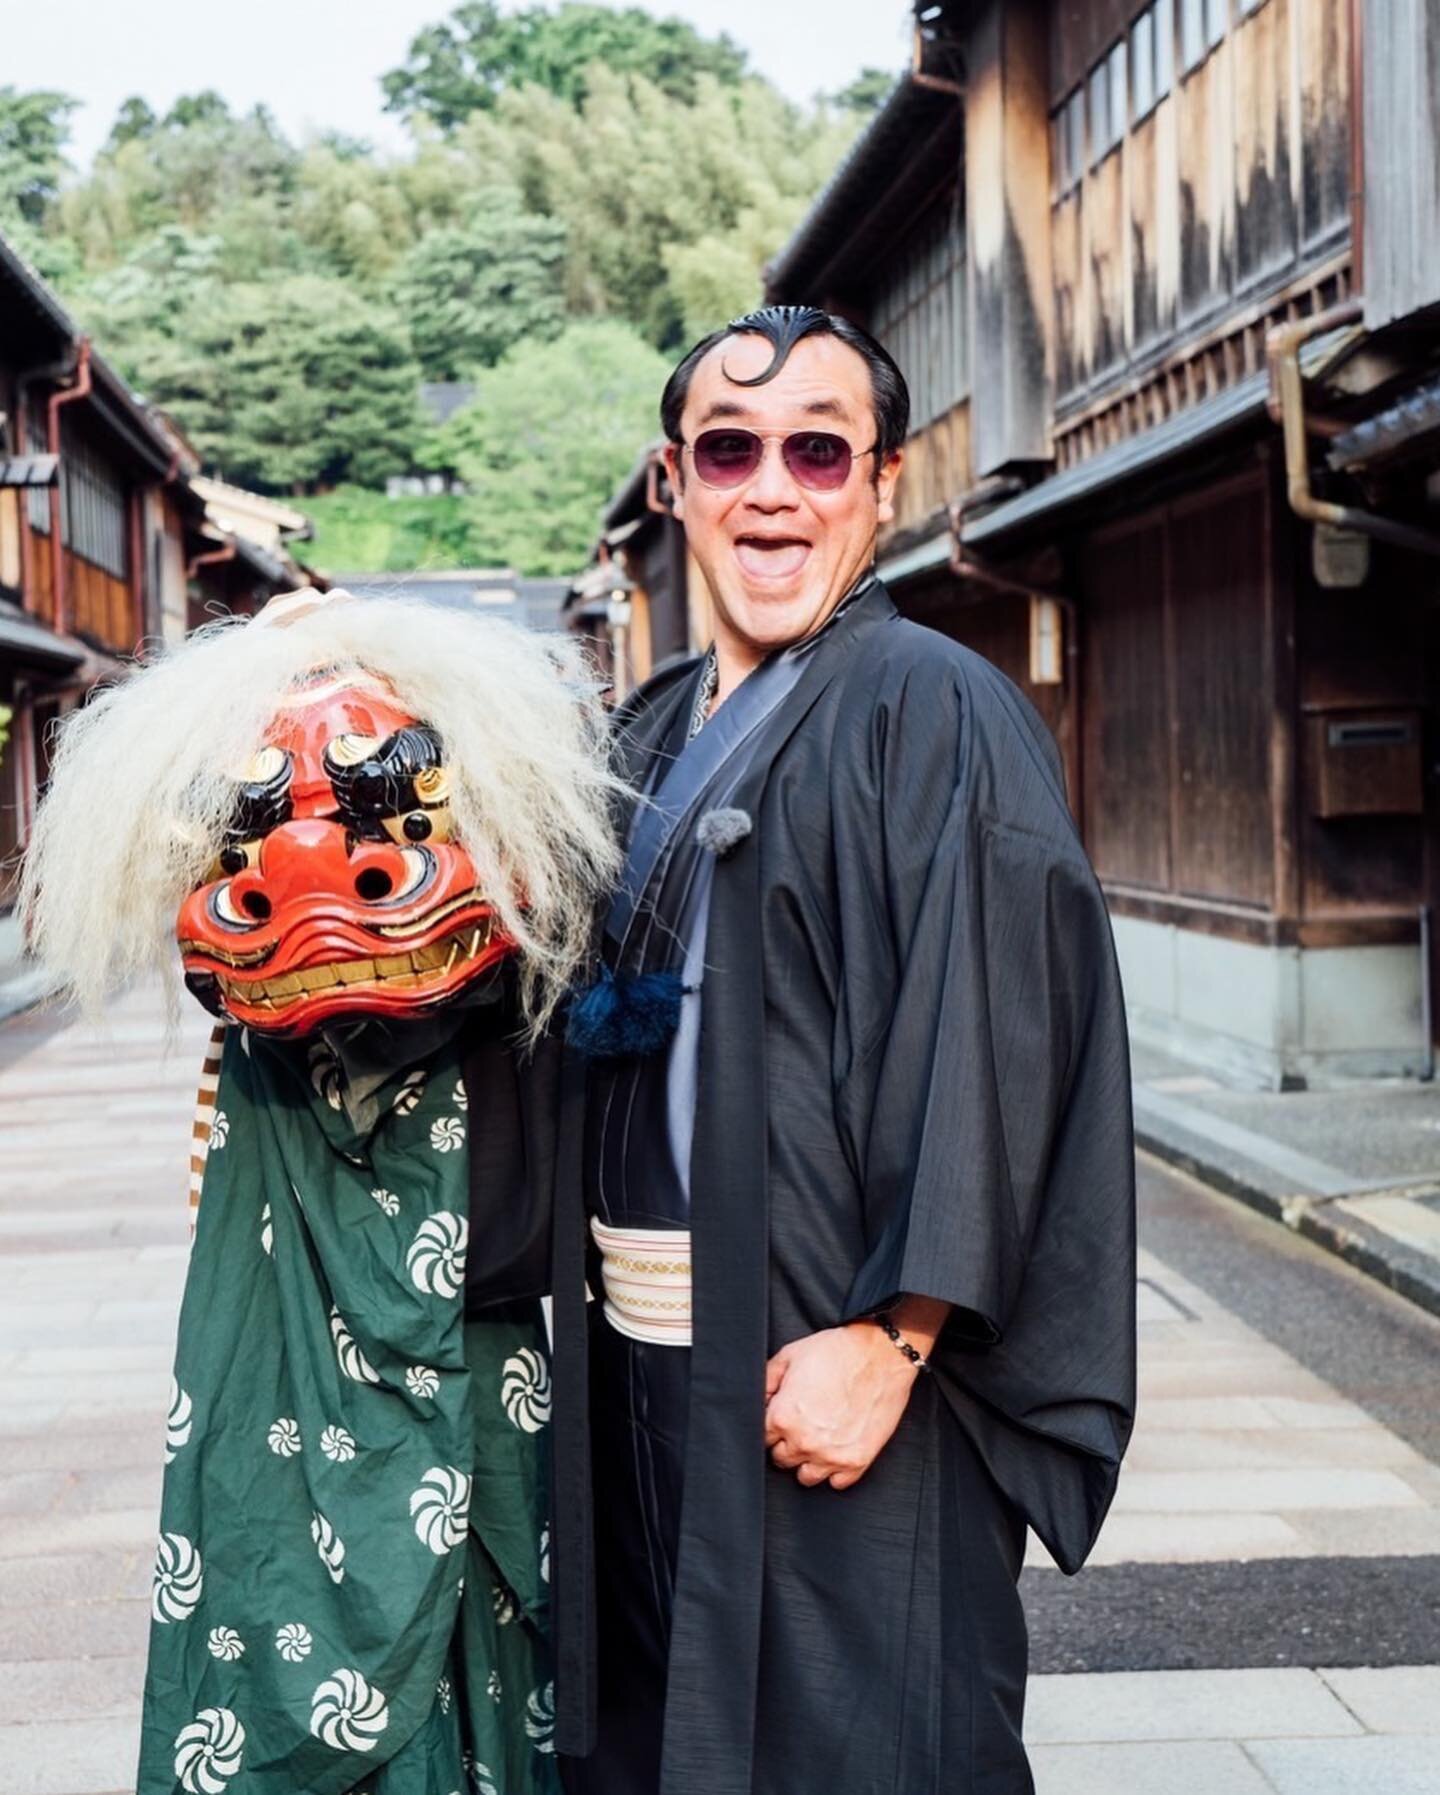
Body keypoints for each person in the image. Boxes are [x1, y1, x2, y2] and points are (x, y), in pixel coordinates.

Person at [550, 306, 1137, 1795]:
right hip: (647, 1370)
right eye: (729, 449)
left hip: (835, 1357)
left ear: (883, 483)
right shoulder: (650, 726)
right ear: (673, 481)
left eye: (819, 450)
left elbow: (1001, 1046)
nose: (773, 489)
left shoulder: (933, 706)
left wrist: (898, 1341)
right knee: (667, 1733)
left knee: (862, 1741)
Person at [20, 591, 623, 1795]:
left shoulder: (511, 979)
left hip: (471, 1363)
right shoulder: (253, 1037)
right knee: (277, 1582)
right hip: (280, 1365)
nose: (316, 867)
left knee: (484, 1645)